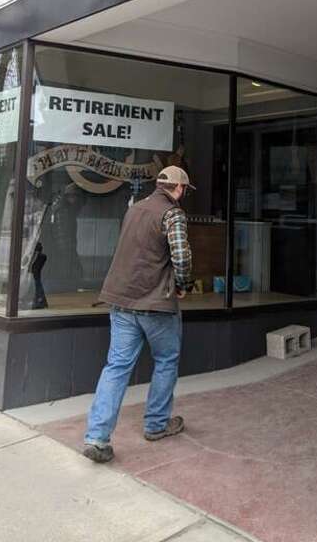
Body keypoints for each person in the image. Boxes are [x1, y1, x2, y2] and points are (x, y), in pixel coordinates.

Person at [83, 165, 195, 463]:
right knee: (166, 360)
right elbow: (182, 257)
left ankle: (97, 437)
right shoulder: (172, 214)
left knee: (117, 365)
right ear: (179, 189)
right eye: (184, 190)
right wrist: (184, 284)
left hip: (120, 300)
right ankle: (156, 424)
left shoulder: (135, 209)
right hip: (156, 304)